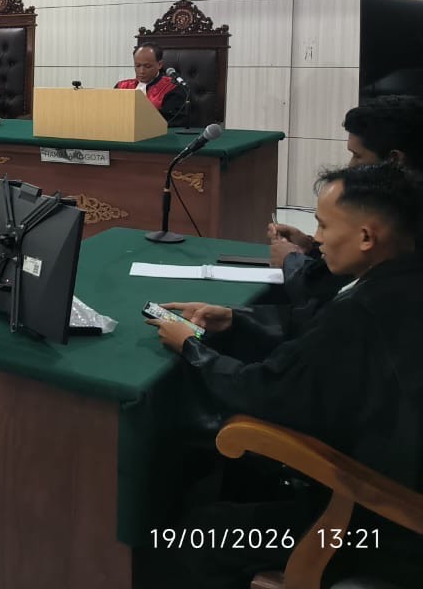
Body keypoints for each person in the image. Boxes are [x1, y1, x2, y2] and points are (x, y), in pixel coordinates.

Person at [142, 163, 423, 589]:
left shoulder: (360, 313)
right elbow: (313, 326)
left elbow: (264, 392)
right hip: (385, 487)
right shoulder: (398, 279)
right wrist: (234, 319)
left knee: (190, 538)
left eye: (324, 225)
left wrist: (191, 348)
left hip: (376, 526)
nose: (317, 239)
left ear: (366, 237)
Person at [269, 94, 423, 314]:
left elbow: (317, 287)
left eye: (357, 156)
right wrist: (311, 247)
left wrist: (290, 259)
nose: (350, 166)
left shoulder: (400, 218)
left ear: (394, 160)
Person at [115, 43, 186, 123]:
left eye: (147, 66)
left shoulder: (172, 87)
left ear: (159, 65)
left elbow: (171, 120)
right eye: (137, 66)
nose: (141, 71)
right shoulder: (121, 86)